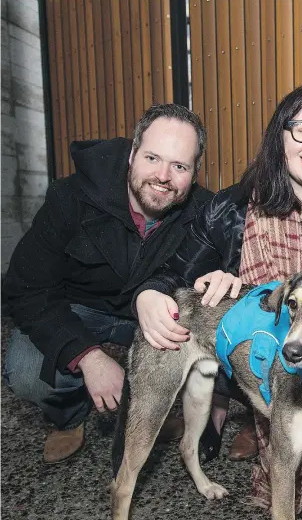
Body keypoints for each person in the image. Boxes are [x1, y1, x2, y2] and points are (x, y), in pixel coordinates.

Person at [133, 83, 302, 512]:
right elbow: (171, 274)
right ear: (280, 135)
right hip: (267, 361)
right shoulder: (231, 209)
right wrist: (150, 295)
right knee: (262, 372)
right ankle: (268, 415)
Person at [2, 104, 212, 464]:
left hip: (148, 313)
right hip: (78, 309)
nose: (163, 175)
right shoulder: (70, 198)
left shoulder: (204, 213)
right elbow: (26, 288)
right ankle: (68, 417)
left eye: (180, 166)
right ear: (132, 154)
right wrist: (87, 357)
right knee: (25, 371)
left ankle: (149, 413)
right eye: (152, 158)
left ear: (193, 175)